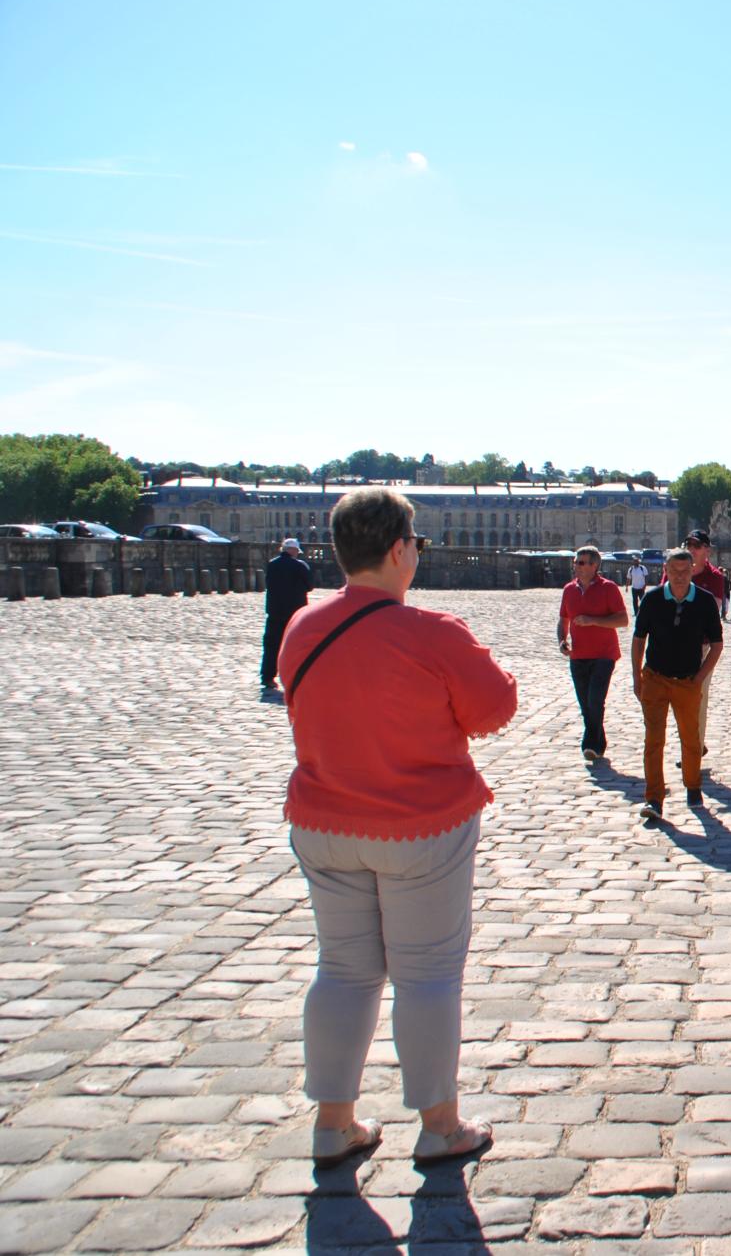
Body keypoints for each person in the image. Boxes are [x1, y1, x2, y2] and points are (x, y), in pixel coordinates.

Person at [280, 487, 516, 1170]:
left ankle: (334, 1122)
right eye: (416, 542)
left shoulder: (303, 625)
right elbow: (493, 708)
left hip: (324, 821)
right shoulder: (432, 630)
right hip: (419, 827)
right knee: (428, 976)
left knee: (344, 972)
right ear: (397, 549)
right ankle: (439, 1125)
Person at [629, 548, 724, 816]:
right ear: (666, 571)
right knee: (653, 740)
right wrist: (637, 676)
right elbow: (638, 640)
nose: (680, 577)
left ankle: (693, 786)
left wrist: (700, 678)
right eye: (674, 571)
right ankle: (654, 798)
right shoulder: (653, 599)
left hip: (687, 681)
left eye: (685, 571)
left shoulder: (704, 601)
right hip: (656, 677)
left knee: (691, 739)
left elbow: (717, 645)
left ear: (693, 569)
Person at [558, 546, 628, 762]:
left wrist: (593, 620)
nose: (576, 566)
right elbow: (563, 620)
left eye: (581, 562)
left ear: (594, 565)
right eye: (576, 562)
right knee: (585, 703)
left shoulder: (609, 588)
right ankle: (599, 740)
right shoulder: (569, 589)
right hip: (578, 655)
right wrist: (562, 640)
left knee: (595, 699)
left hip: (604, 654)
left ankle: (590, 744)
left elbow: (623, 620)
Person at [683, 530, 728, 772]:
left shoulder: (714, 577)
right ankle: (693, 744)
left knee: (698, 697)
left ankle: (693, 748)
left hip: (701, 646)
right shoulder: (677, 569)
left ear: (707, 550)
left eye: (697, 545)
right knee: (679, 700)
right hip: (674, 646)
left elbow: (712, 614)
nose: (691, 549)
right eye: (688, 544)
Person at [262, 537, 314, 691]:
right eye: (297, 551)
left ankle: (267, 676)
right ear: (292, 550)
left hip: (275, 611)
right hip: (295, 612)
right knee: (295, 646)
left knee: (271, 645)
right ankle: (295, 676)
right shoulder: (299, 566)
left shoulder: (272, 564)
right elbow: (309, 586)